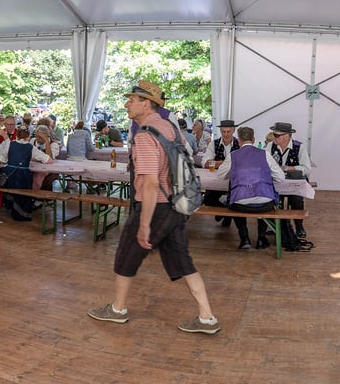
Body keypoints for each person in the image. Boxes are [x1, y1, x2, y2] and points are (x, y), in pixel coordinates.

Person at [87, 80, 220, 335]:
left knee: (126, 255)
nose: (127, 104)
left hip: (155, 206)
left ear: (146, 103)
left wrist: (144, 224)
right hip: (176, 205)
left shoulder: (146, 134)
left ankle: (117, 309)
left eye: (132, 100)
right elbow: (188, 155)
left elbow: (149, 183)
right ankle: (207, 318)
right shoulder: (171, 127)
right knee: (182, 262)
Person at [215, 126, 284, 250]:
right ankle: (261, 238)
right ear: (253, 139)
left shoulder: (233, 156)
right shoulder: (265, 155)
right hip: (265, 203)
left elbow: (220, 175)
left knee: (234, 200)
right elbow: (280, 177)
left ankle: (244, 238)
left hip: (240, 203)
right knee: (264, 198)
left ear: (239, 140)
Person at [0, 127, 52, 221]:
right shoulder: (30, 147)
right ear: (28, 137)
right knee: (27, 186)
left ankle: (10, 205)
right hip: (22, 177)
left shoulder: (10, 144)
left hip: (9, 176)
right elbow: (48, 160)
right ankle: (22, 213)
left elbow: (2, 158)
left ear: (17, 135)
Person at [267, 122, 311, 238]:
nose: (273, 137)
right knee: (273, 197)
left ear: (286, 136)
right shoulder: (270, 146)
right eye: (273, 134)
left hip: (293, 183)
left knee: (296, 199)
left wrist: (287, 168)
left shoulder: (299, 147)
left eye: (276, 135)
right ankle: (276, 224)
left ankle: (298, 225)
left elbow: (306, 169)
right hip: (276, 182)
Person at [202, 119, 240, 227]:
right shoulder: (214, 144)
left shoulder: (239, 144)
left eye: (228, 132)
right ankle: (224, 211)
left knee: (237, 200)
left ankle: (227, 215)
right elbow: (205, 163)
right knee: (208, 200)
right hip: (217, 179)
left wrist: (216, 163)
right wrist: (225, 163)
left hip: (235, 179)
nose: (226, 134)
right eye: (223, 132)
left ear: (233, 131)